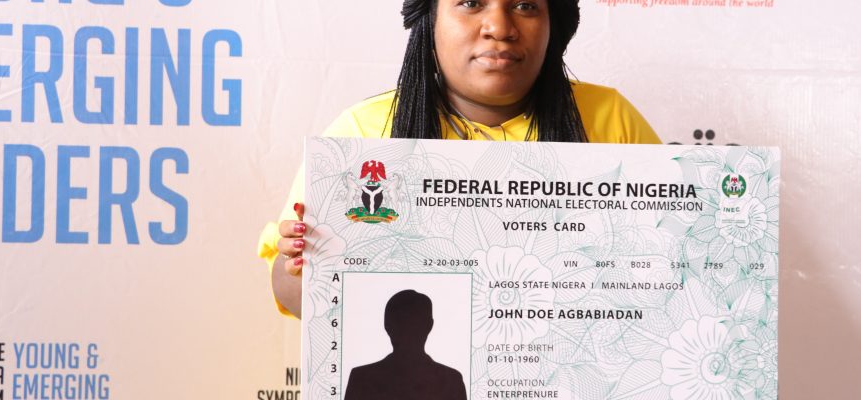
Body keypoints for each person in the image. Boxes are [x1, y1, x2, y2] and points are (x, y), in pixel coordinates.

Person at [258, 0, 662, 318]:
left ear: (552, 24)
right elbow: (298, 299)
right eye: (471, 2)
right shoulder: (363, 132)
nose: (499, 27)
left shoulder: (610, 118)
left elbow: (672, 265)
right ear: (430, 20)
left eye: (525, 6)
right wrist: (306, 265)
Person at [344, 290, 467, 400]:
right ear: (429, 325)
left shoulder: (361, 378)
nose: (408, 332)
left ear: (387, 326)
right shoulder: (452, 381)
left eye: (413, 324)